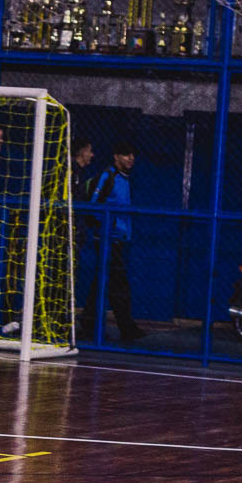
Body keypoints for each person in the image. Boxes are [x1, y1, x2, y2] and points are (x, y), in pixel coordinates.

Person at [79, 140, 145, 342]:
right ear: (116, 157)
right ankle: (126, 328)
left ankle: (89, 323)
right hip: (107, 239)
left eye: (132, 154)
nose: (131, 158)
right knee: (118, 284)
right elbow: (94, 206)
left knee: (103, 282)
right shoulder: (108, 176)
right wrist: (109, 226)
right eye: (126, 154)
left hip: (118, 240)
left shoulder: (125, 180)